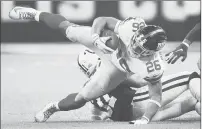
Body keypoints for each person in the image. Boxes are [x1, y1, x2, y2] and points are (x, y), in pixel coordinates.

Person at [9, 6, 167, 125]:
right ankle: (35, 14)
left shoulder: (154, 66)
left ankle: (53, 107)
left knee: (82, 98)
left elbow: (156, 96)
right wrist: (96, 37)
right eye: (135, 42)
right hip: (107, 44)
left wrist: (146, 118)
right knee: (69, 29)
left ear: (151, 53)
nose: (134, 47)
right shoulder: (132, 27)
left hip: (115, 70)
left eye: (140, 49)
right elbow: (102, 20)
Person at [76, 49, 200, 122]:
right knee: (188, 76)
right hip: (139, 102)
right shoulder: (108, 71)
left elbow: (95, 117)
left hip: (129, 118)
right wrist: (155, 68)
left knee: (192, 103)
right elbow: (139, 82)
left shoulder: (87, 89)